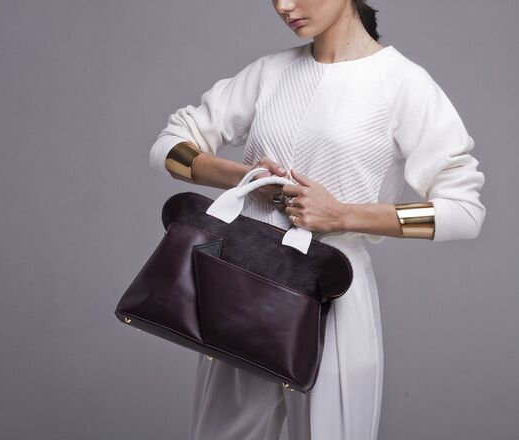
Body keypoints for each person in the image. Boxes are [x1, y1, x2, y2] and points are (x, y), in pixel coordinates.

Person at [148, 0, 486, 438]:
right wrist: (242, 176)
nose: (283, 6)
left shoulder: (403, 84)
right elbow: (168, 146)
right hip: (243, 284)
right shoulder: (269, 73)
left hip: (333, 294)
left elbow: (464, 210)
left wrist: (344, 214)